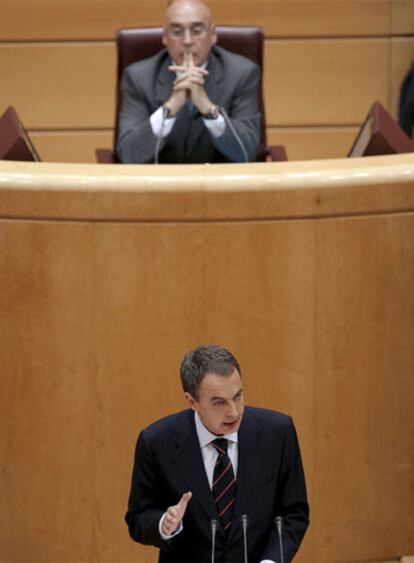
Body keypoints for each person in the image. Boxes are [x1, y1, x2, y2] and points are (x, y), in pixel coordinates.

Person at [125, 344, 309, 562]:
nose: (234, 411)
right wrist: (164, 524)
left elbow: (294, 513)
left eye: (238, 396)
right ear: (191, 401)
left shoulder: (277, 433)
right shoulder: (156, 441)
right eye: (219, 402)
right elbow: (138, 518)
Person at [117, 0, 261, 164]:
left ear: (213, 34)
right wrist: (171, 106)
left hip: (219, 184)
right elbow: (129, 156)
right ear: (165, 36)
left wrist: (208, 109)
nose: (187, 41)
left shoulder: (242, 73)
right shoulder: (138, 77)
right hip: (161, 184)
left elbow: (247, 153)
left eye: (197, 31)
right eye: (177, 32)